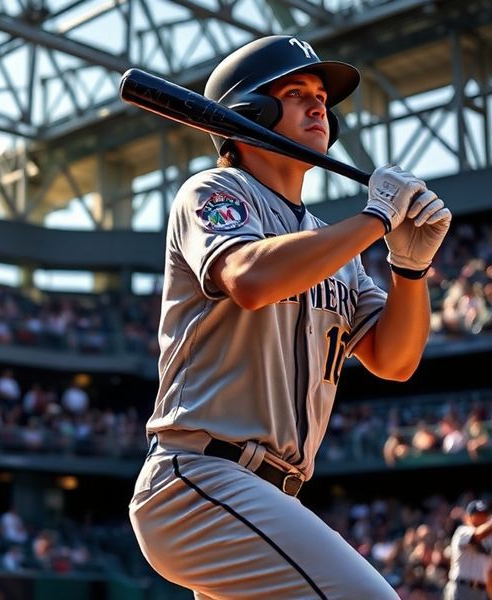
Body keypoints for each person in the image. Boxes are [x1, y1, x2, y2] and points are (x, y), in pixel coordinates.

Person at [128, 35, 452, 599]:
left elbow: (394, 360)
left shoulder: (331, 246)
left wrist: (410, 267)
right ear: (250, 113)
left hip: (272, 496)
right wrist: (376, 218)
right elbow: (250, 280)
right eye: (296, 92)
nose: (319, 105)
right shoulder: (215, 190)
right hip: (200, 478)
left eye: (322, 96)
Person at [444, 500, 492, 600]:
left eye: (484, 515)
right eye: (477, 515)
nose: (481, 518)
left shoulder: (490, 541)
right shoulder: (462, 531)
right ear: (468, 517)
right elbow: (478, 535)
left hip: (481, 592)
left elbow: (489, 573)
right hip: (461, 588)